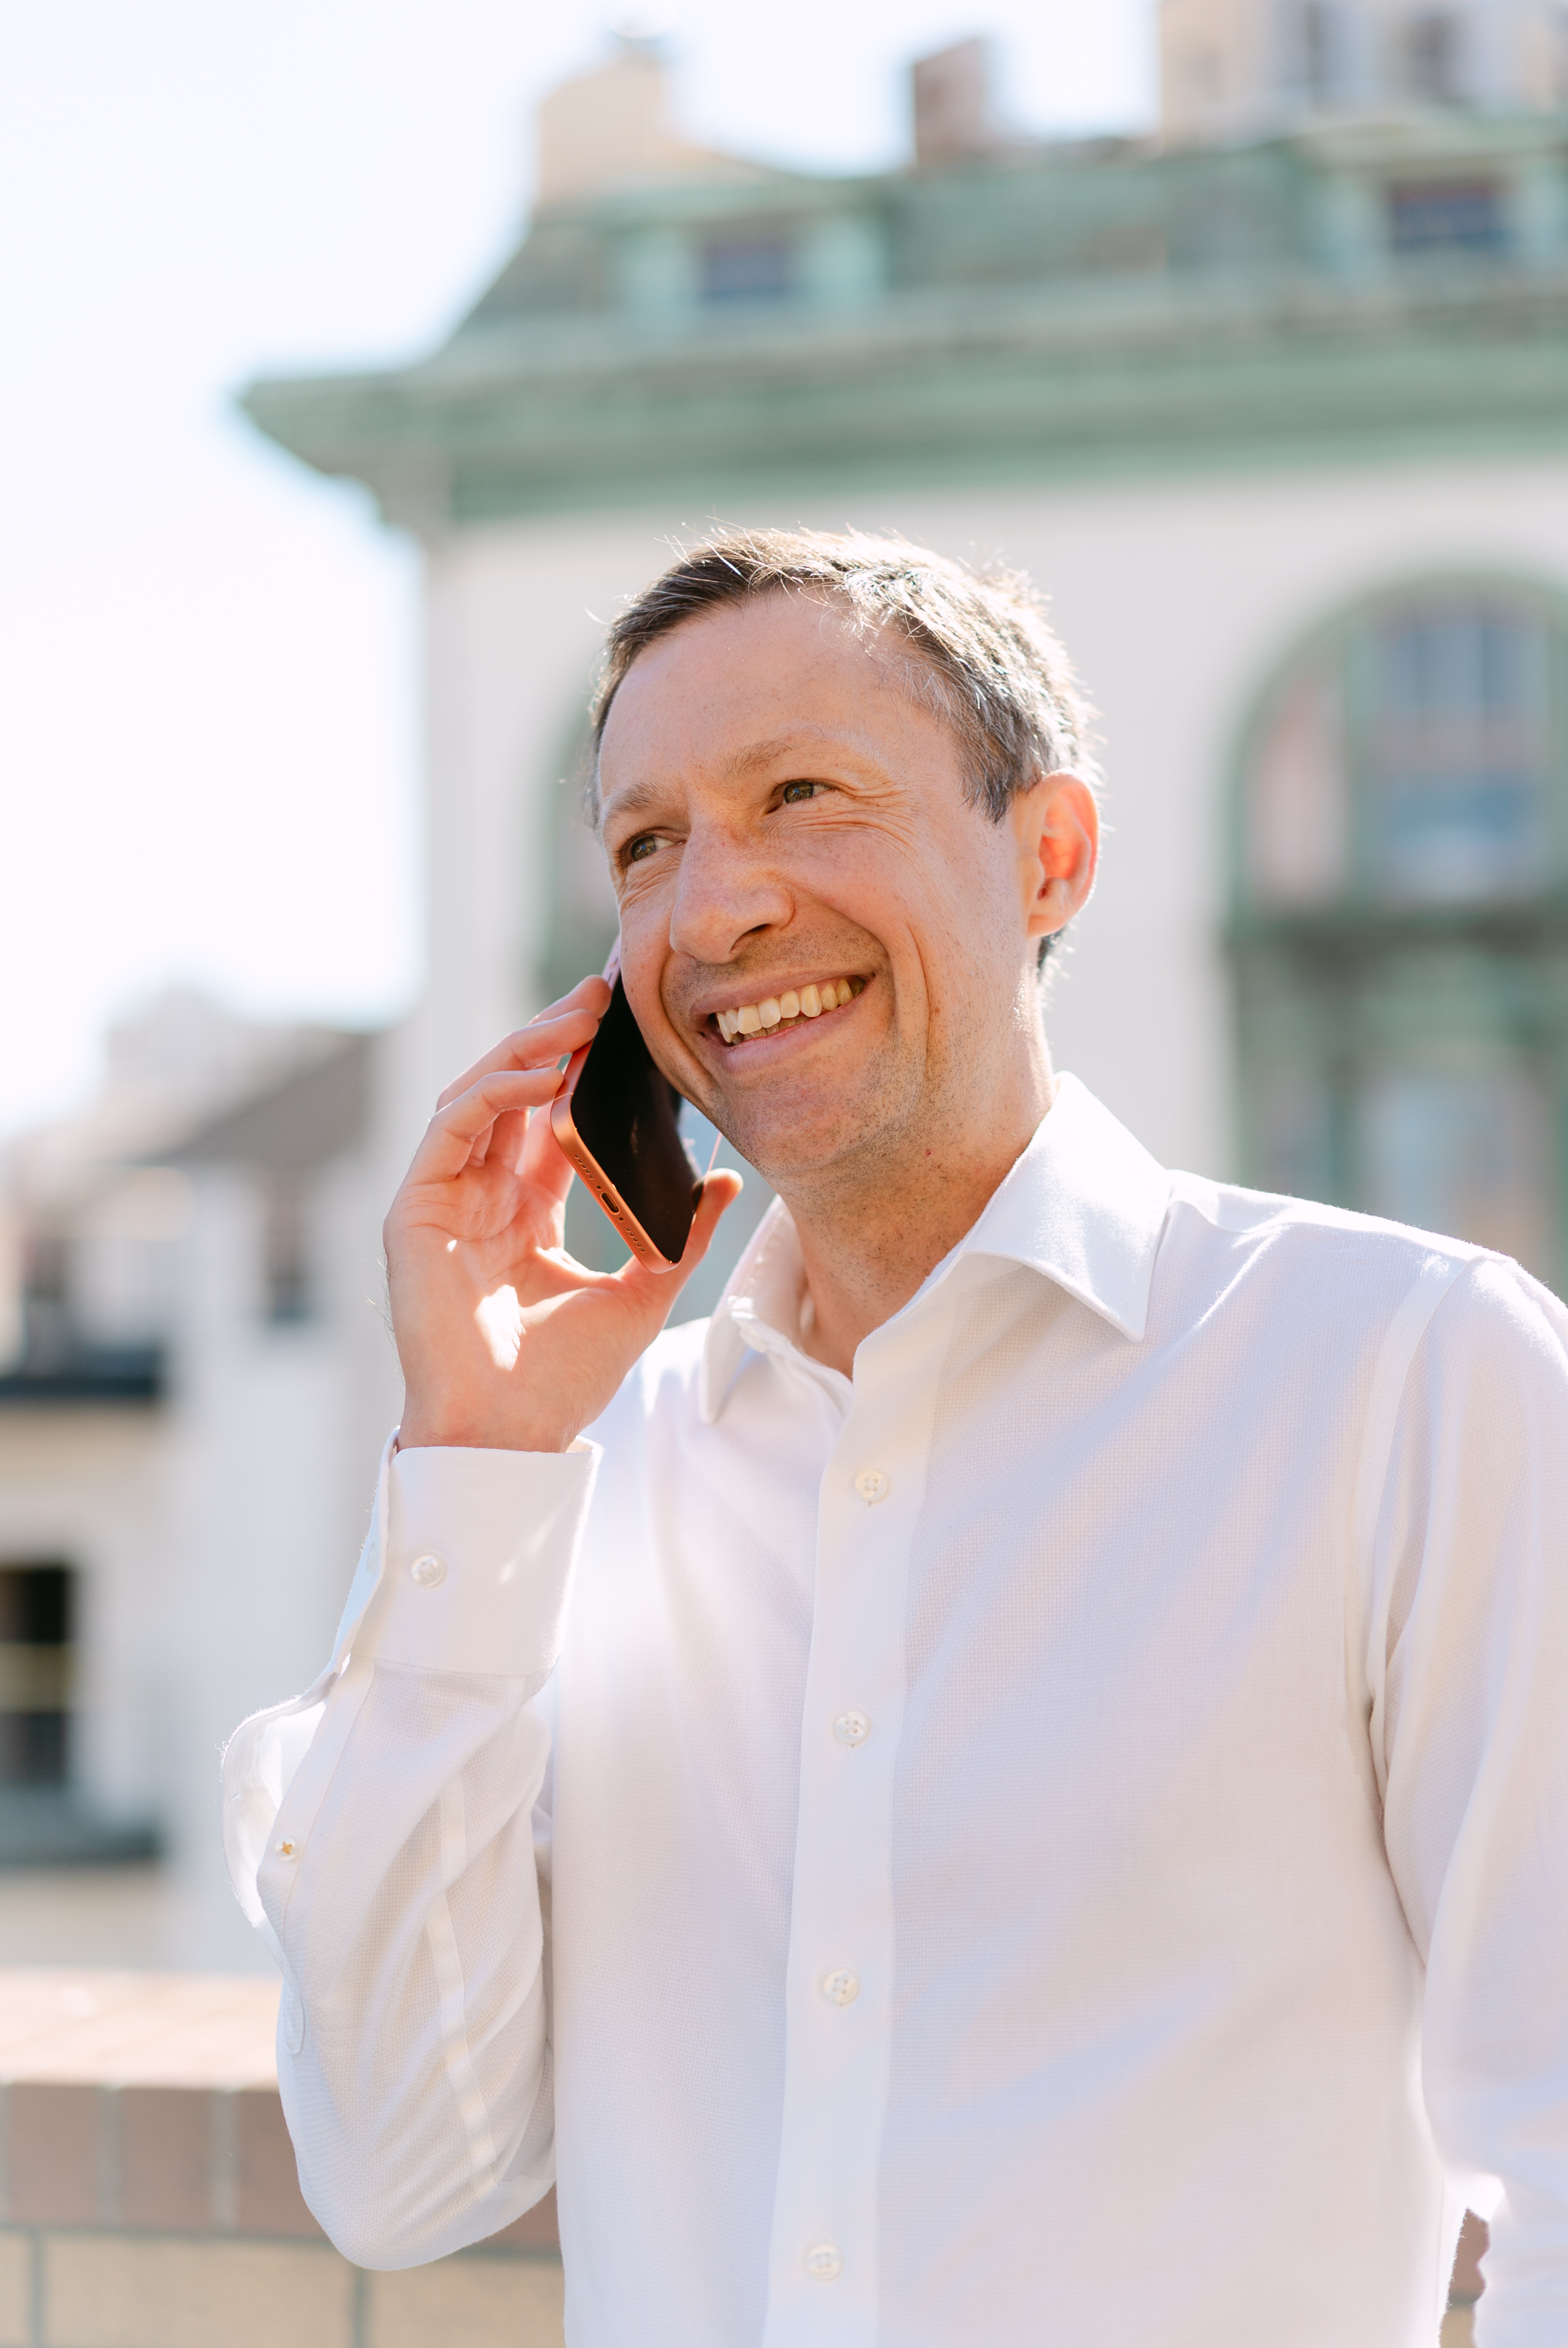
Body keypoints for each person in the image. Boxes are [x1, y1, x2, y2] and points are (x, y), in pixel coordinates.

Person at [224, 530, 1568, 2348]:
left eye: (803, 796)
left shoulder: (1409, 1374)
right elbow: (400, 2172)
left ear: (1050, 855)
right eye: (645, 845)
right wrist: (469, 1458)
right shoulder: (565, 1485)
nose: (714, 912)